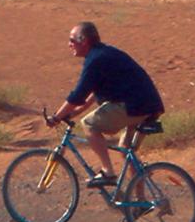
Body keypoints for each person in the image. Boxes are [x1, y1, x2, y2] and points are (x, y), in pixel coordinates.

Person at [47, 21, 164, 187]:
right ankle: (140, 202)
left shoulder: (96, 59)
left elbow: (78, 94)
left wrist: (56, 117)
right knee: (126, 150)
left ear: (84, 40)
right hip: (148, 105)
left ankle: (108, 172)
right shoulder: (103, 54)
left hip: (134, 105)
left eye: (72, 40)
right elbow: (92, 93)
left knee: (88, 124)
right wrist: (75, 112)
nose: (69, 44)